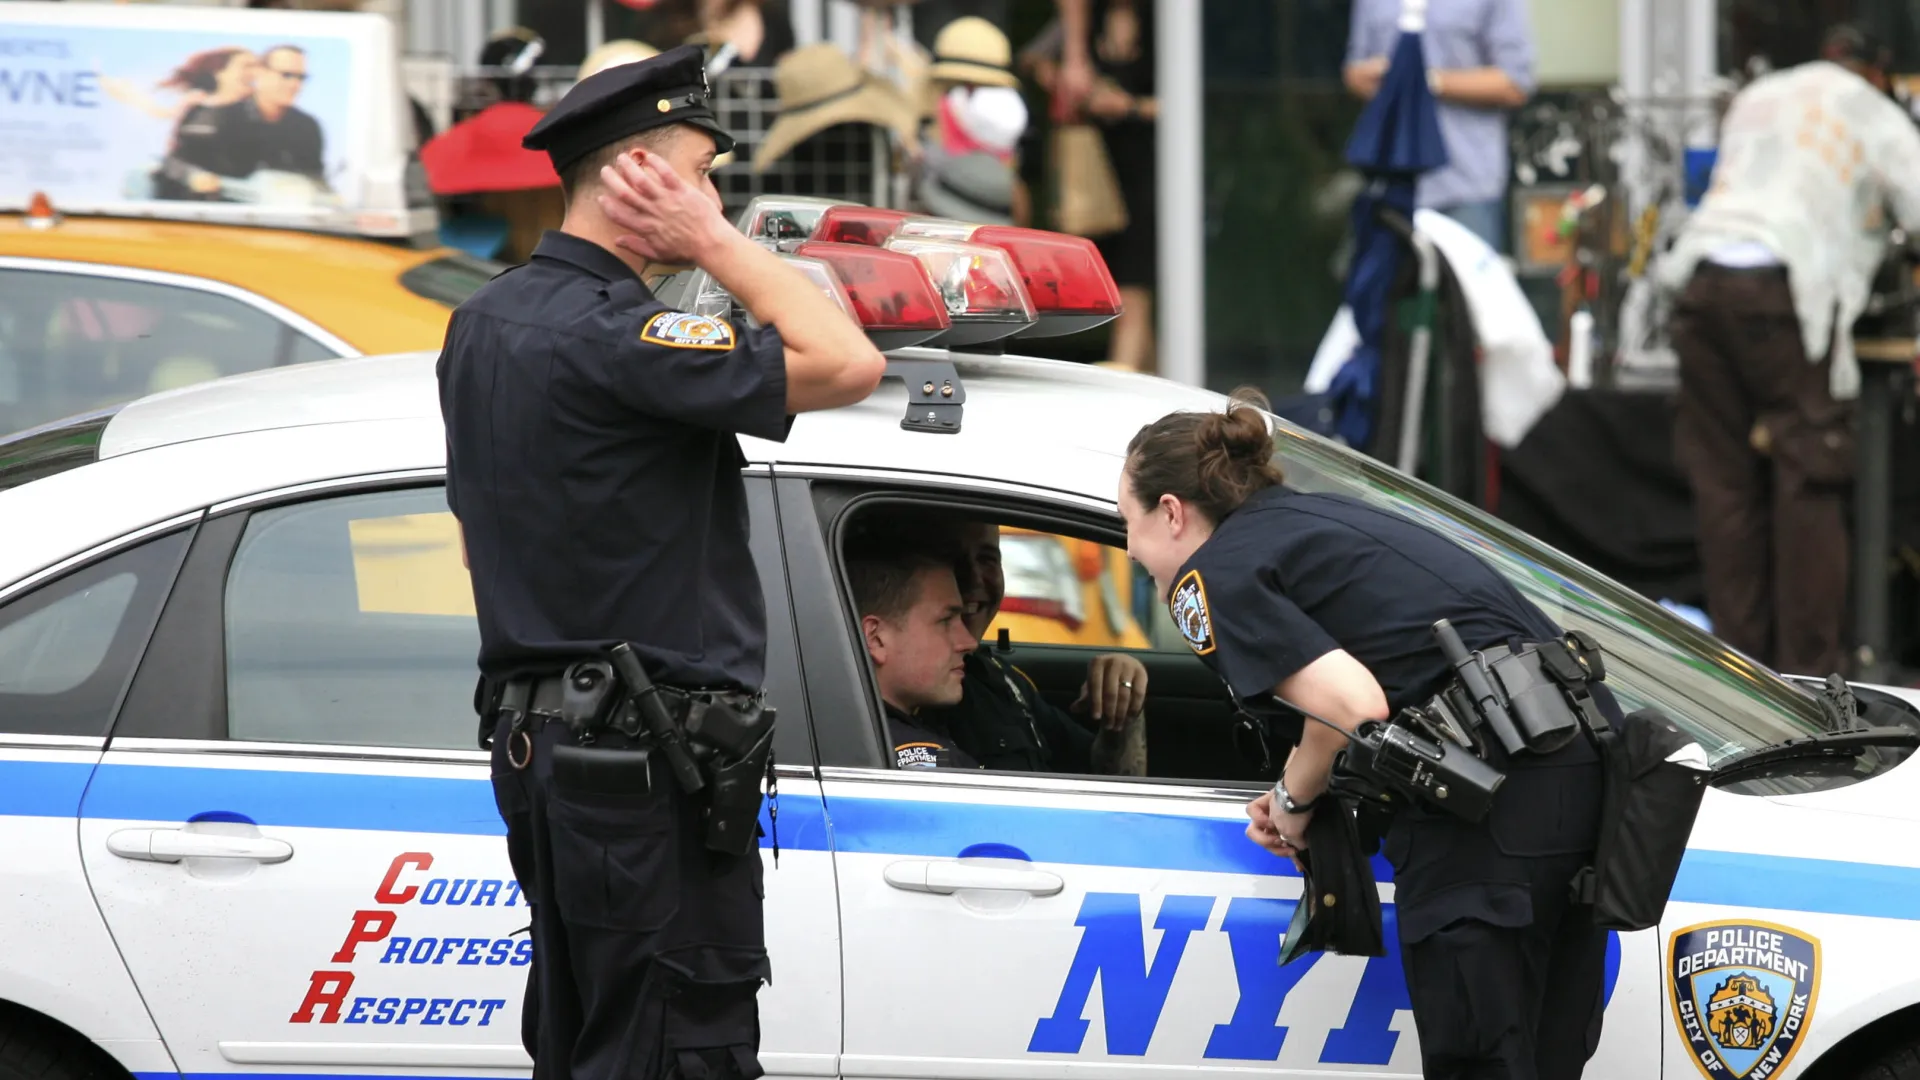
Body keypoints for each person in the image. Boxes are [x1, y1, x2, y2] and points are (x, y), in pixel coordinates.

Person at [438, 44, 885, 1080]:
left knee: (589, 1041)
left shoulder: (483, 321)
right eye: (703, 177)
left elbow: (475, 533)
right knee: (678, 1048)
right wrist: (720, 248)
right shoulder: (624, 336)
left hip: (544, 748)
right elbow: (849, 362)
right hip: (641, 766)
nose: (716, 200)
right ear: (641, 180)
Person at [1118, 388, 1611, 1079]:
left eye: (1128, 525)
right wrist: (1299, 777)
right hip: (1573, 772)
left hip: (1491, 808)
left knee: (1482, 1060)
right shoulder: (1304, 518)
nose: (1131, 551)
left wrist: (1292, 804)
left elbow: (1352, 707)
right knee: (1543, 1058)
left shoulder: (1213, 577)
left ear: (1171, 513)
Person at [1661, 23, 1920, 680]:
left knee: (1727, 489)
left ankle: (1741, 681)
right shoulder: (1873, 109)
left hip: (1699, 282)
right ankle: (1811, 688)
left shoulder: (1763, 93)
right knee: (1810, 481)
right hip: (1780, 288)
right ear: (1876, 73)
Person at [917, 516, 1149, 775]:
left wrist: (1124, 711)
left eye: (988, 559)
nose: (974, 579)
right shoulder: (914, 694)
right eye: (952, 559)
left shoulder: (1000, 679)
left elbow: (1103, 777)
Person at [1343, 0, 1535, 252]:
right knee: (1385, 288)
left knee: (1468, 290)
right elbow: (1354, 72)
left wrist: (1428, 81)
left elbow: (1516, 83)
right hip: (1389, 183)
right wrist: (1381, 80)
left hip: (1465, 184)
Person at [1048, 0, 1159, 372]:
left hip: (1151, 168)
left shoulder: (1165, 26)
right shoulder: (1086, 24)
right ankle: (1152, 385)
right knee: (1120, 287)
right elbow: (1036, 60)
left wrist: (1128, 106)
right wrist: (1071, 81)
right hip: (1100, 177)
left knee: (1133, 285)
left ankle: (1124, 377)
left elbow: (1196, 102)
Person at [847, 548, 986, 770]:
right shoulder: (922, 761)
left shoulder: (838, 732)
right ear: (876, 638)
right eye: (946, 621)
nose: (969, 642)